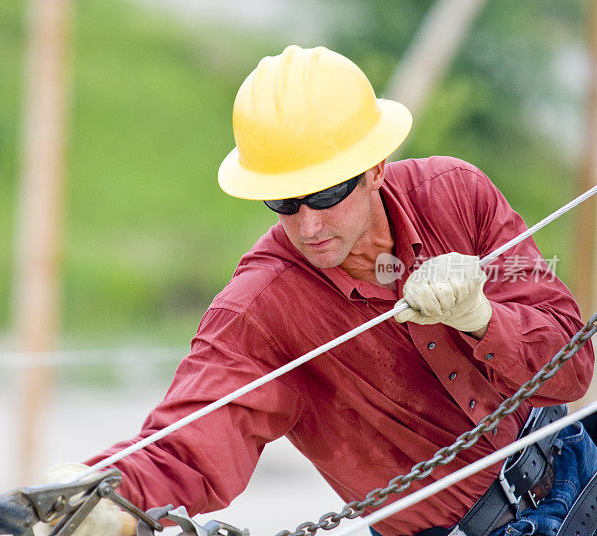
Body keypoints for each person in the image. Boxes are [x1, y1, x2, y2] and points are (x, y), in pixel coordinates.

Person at [40, 45, 596, 536]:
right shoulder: (261, 309)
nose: (307, 226)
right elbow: (188, 441)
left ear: (375, 167)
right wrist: (102, 490)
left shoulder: (456, 195)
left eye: (325, 193)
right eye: (283, 201)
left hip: (579, 467)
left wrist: (482, 318)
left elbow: (574, 367)